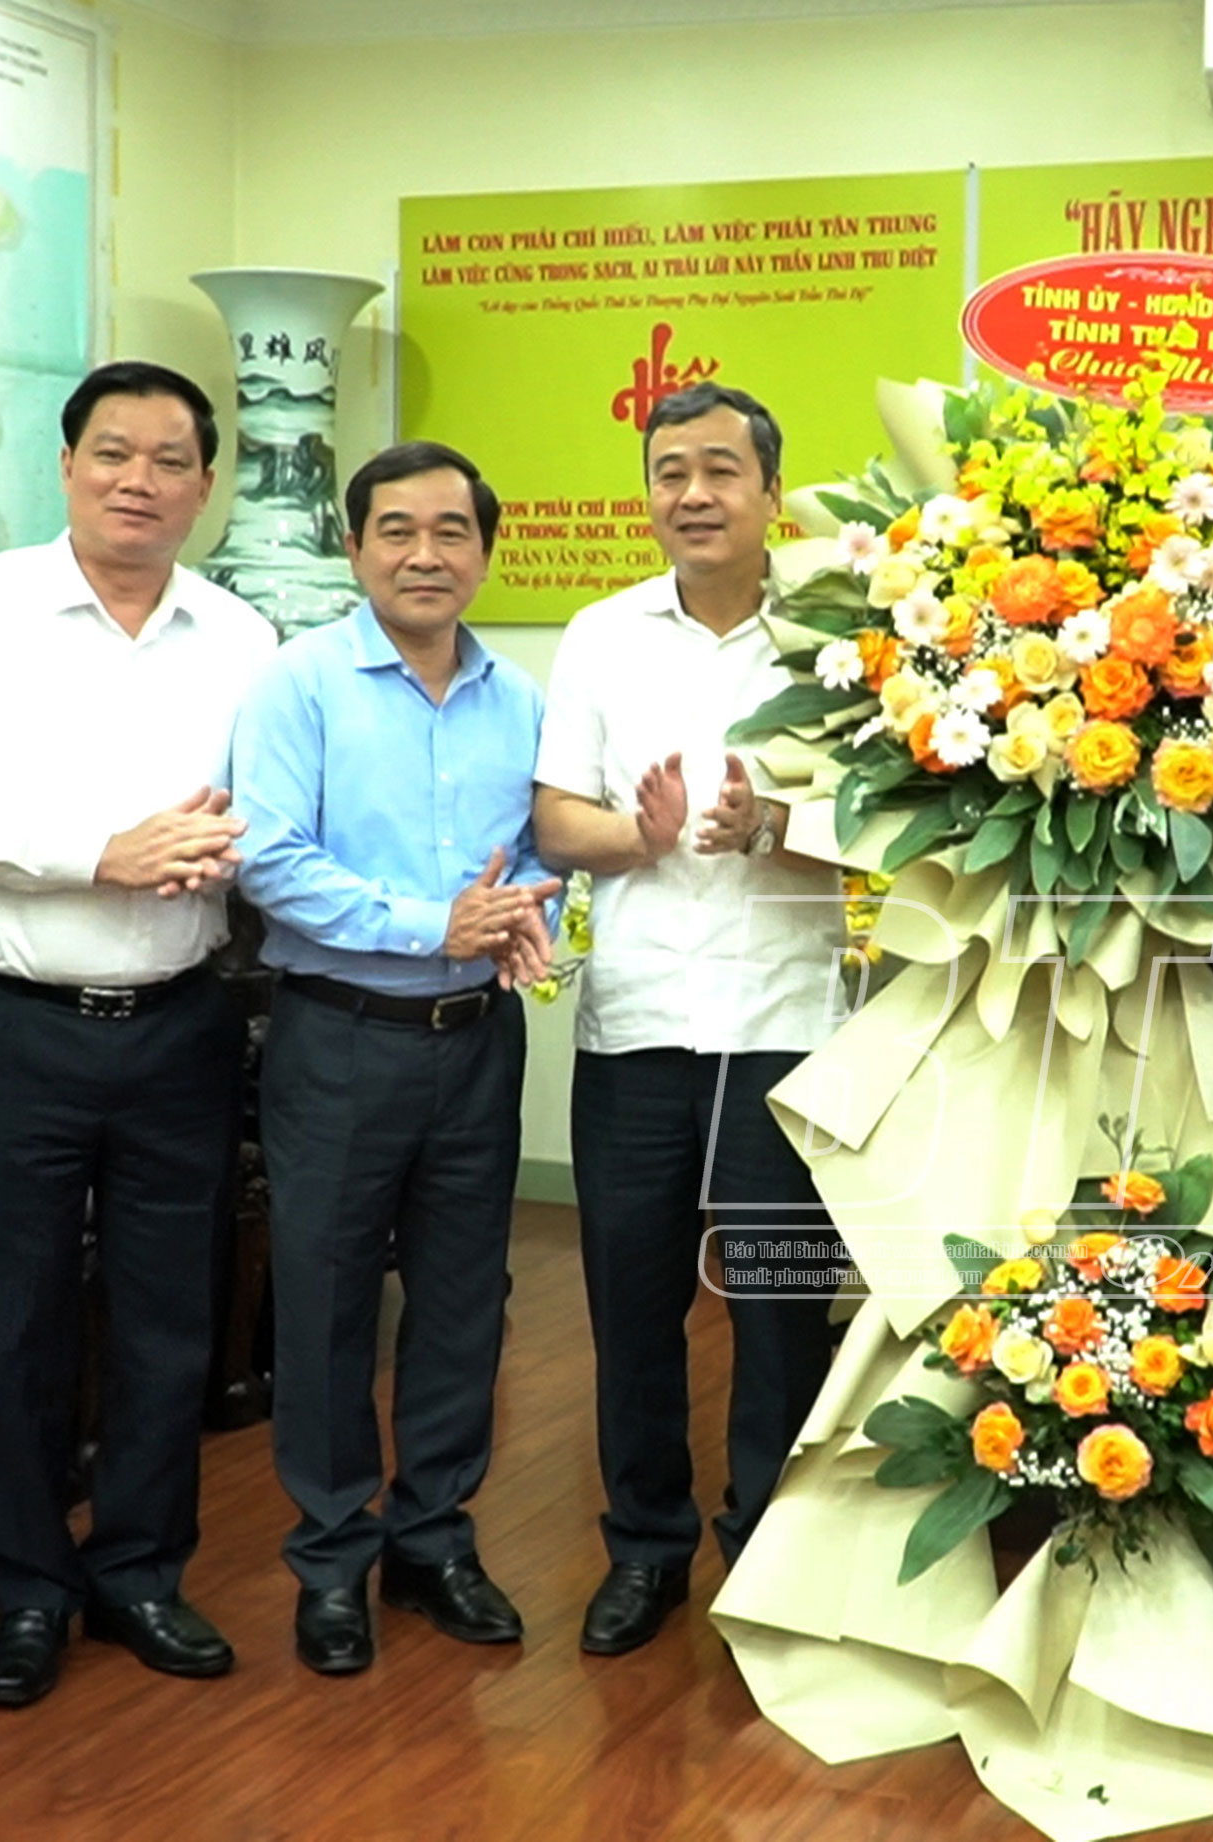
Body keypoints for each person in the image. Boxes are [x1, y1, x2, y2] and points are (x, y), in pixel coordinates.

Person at [0, 360, 277, 1710]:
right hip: (14, 1026)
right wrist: (100, 852)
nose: (138, 481)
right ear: (66, 465)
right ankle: (29, 1590)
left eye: (171, 460)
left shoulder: (242, 636)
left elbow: (269, 811)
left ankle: (142, 1572)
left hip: (180, 1023)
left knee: (171, 1318)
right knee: (14, 1320)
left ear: (205, 486)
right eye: (114, 452)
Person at [231, 441, 559, 1675]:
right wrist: (434, 925)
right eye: (397, 531)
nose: (426, 555)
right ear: (354, 545)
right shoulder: (299, 682)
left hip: (477, 1041)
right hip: (340, 1036)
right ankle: (330, 1559)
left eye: (451, 532)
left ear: (485, 549)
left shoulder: (519, 699)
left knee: (466, 1301)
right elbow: (270, 859)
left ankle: (434, 1539)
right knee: (325, 1306)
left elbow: (545, 850)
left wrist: (529, 915)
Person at [530, 381, 845, 1658]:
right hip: (639, 1026)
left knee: (781, 1311)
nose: (695, 494)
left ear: (772, 490)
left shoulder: (839, 638)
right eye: (671, 472)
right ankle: (646, 1549)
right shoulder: (600, 635)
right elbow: (557, 820)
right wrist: (639, 836)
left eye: (721, 469)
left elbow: (892, 828)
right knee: (633, 1307)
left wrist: (775, 824)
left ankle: (772, 1558)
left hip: (789, 1024)